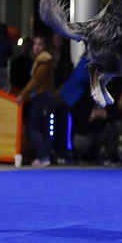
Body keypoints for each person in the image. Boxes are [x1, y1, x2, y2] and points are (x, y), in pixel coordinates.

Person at [15, 35, 55, 167]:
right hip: (45, 96)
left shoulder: (43, 60)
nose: (36, 47)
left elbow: (35, 81)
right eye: (35, 44)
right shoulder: (44, 60)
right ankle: (45, 155)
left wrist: (23, 94)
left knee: (33, 128)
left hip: (41, 97)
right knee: (44, 128)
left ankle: (43, 155)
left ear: (45, 47)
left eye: (40, 45)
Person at [49, 33, 74, 165]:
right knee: (48, 123)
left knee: (62, 123)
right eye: (55, 39)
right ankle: (50, 150)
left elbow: (69, 74)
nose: (57, 41)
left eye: (59, 39)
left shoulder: (65, 57)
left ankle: (61, 150)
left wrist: (61, 89)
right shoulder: (48, 56)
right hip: (48, 92)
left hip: (62, 94)